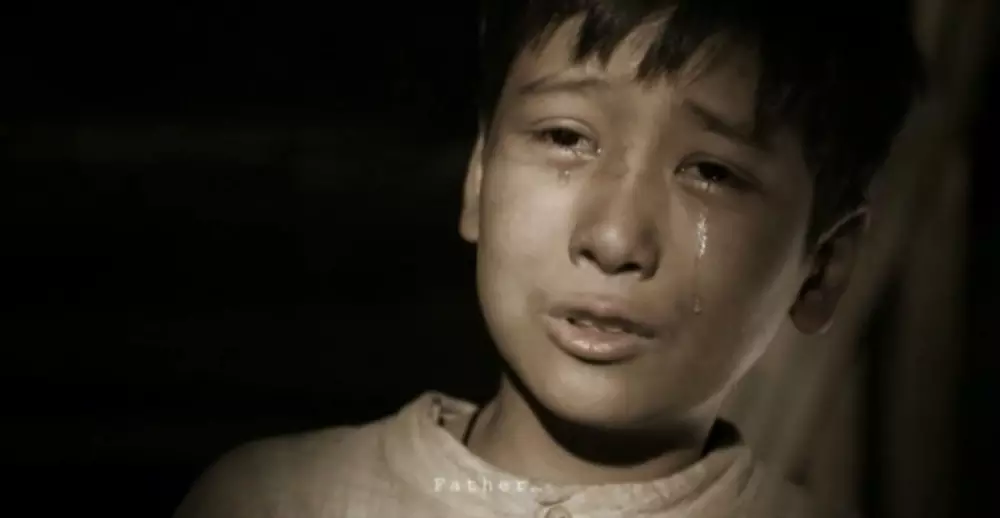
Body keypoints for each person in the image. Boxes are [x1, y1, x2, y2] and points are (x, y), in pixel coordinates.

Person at [175, 1, 922, 516]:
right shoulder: (276, 502)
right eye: (566, 137)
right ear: (478, 178)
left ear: (822, 268)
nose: (615, 239)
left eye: (711, 173)